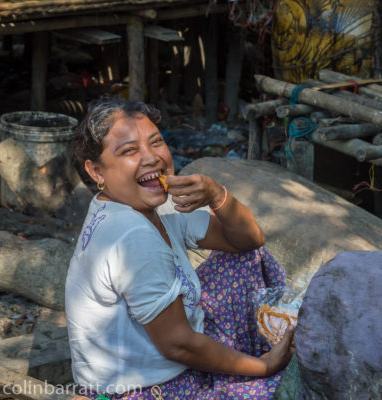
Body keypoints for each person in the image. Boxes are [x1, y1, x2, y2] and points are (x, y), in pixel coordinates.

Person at [65, 97, 294, 400]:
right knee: (282, 388)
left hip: (168, 356)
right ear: (96, 172)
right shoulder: (131, 235)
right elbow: (177, 344)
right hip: (147, 391)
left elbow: (249, 241)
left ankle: (248, 357)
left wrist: (218, 195)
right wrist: (263, 366)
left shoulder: (154, 205)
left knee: (248, 259)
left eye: (156, 142)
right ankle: (257, 358)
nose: (151, 158)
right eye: (130, 151)